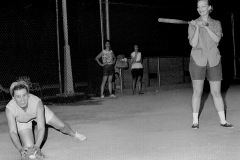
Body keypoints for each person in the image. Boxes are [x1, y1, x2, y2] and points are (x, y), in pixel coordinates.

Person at [5, 80, 87, 159]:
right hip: (22, 121)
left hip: (37, 114)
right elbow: (12, 132)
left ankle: (74, 134)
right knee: (28, 148)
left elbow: (41, 127)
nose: (22, 100)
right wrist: (20, 149)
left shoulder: (37, 102)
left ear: (28, 94)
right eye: (18, 97)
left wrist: (37, 146)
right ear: (13, 97)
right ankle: (30, 136)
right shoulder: (9, 108)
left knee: (61, 126)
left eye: (24, 95)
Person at [188, 0, 233, 129]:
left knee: (216, 92)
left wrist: (206, 27)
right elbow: (193, 44)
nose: (200, 8)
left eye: (203, 6)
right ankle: (195, 121)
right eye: (198, 6)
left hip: (214, 60)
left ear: (210, 7)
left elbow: (217, 39)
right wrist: (197, 27)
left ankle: (223, 121)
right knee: (197, 91)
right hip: (197, 60)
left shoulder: (216, 23)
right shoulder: (193, 23)